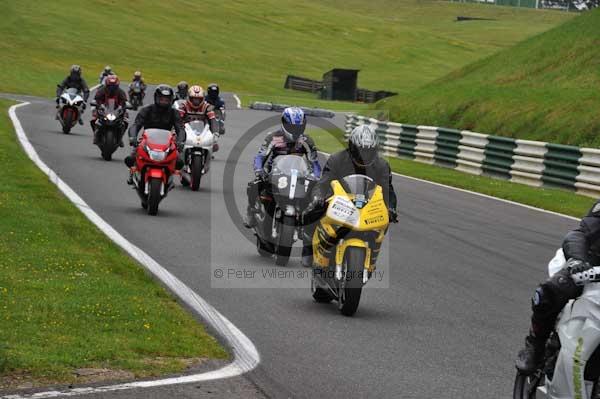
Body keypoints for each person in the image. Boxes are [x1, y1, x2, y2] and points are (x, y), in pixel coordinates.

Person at [301, 124, 398, 267]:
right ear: (352, 147)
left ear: (375, 150)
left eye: (368, 151)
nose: (364, 155)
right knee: (314, 209)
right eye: (360, 151)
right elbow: (323, 183)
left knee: (385, 217)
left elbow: (387, 189)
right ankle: (308, 248)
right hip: (338, 198)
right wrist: (318, 197)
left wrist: (390, 208)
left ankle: (371, 257)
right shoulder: (337, 159)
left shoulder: (382, 165)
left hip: (368, 203)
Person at [515, 208, 599, 374]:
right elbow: (578, 234)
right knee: (554, 289)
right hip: (591, 263)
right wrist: (577, 261)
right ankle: (536, 345)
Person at [244, 107, 322, 228]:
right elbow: (260, 157)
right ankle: (251, 210)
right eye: (292, 127)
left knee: (317, 196)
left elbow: (315, 163)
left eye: (299, 128)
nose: (296, 131)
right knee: (254, 185)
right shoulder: (272, 137)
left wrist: (316, 177)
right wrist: (259, 171)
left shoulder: (307, 141)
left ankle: (307, 225)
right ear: (284, 124)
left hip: (298, 176)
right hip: (274, 174)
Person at [125, 85, 186, 183]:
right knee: (130, 158)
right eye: (161, 99)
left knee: (179, 162)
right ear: (156, 98)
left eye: (166, 99)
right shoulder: (147, 110)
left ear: (170, 100)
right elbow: (136, 125)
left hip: (167, 141)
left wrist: (181, 141)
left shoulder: (174, 113)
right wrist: (133, 137)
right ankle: (133, 172)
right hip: (147, 139)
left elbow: (180, 129)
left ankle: (179, 176)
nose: (164, 101)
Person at [91, 75, 128, 145]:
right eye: (110, 86)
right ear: (106, 85)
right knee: (93, 119)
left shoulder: (120, 91)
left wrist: (124, 107)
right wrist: (98, 105)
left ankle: (120, 138)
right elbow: (97, 99)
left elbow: (125, 101)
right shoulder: (102, 90)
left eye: (114, 86)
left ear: (117, 85)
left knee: (126, 121)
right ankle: (96, 135)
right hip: (103, 110)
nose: (112, 88)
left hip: (116, 111)